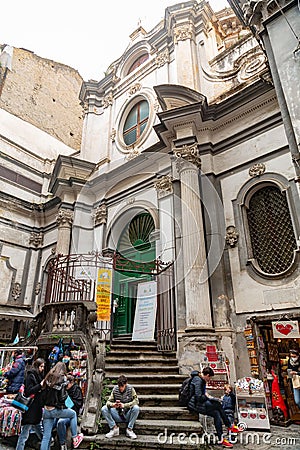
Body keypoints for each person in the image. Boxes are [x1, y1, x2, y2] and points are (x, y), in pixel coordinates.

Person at [188, 367, 242, 448]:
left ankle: (221, 439)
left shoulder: (200, 380)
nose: (209, 380)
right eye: (210, 378)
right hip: (194, 404)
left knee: (217, 413)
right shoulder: (198, 380)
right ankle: (229, 426)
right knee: (218, 405)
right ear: (207, 375)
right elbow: (199, 397)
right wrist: (208, 398)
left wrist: (208, 397)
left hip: (199, 403)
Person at [40, 361, 83, 450]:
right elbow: (62, 397)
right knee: (73, 414)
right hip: (55, 409)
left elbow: (42, 393)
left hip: (46, 410)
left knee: (46, 437)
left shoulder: (48, 377)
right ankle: (75, 438)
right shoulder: (62, 379)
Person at [16, 358, 45, 450]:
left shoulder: (38, 375)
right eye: (41, 366)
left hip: (36, 408)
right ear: (37, 366)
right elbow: (29, 391)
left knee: (37, 426)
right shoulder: (31, 376)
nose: (43, 369)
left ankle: (46, 441)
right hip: (30, 408)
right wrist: (40, 385)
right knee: (26, 431)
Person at [101, 374, 140, 439]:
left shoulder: (131, 389)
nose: (121, 388)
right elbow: (108, 402)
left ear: (126, 384)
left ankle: (129, 429)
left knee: (136, 408)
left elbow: (136, 401)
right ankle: (114, 428)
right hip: (117, 413)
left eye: (122, 386)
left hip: (128, 414)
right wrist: (113, 405)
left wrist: (125, 405)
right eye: (119, 386)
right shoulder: (115, 389)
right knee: (104, 408)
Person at [56, 374, 84, 450]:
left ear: (71, 383)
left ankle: (66, 442)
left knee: (61, 422)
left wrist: (68, 400)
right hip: (61, 411)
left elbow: (78, 404)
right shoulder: (62, 389)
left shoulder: (76, 390)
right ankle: (62, 444)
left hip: (71, 412)